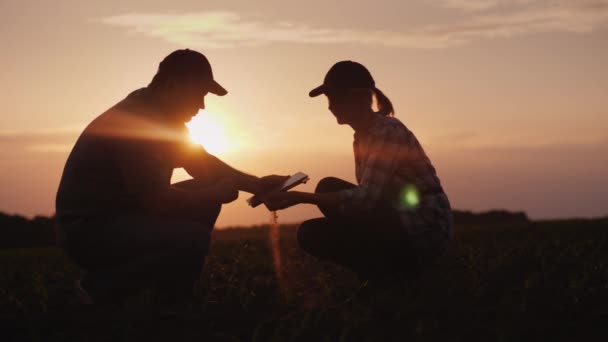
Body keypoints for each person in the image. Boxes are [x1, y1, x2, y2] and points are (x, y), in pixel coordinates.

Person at [55, 49, 286, 305]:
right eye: (198, 94)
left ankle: (175, 297)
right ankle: (100, 287)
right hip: (90, 232)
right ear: (173, 85)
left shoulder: (164, 118)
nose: (202, 105)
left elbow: (204, 165)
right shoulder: (136, 122)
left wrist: (258, 185)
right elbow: (157, 202)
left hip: (123, 217)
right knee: (192, 237)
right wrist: (216, 193)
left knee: (202, 200)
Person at [263, 61, 452, 282]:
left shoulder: (386, 131)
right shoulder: (363, 137)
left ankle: (392, 276)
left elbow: (366, 199)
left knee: (312, 230)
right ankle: (382, 274)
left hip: (423, 228)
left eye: (334, 98)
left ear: (356, 98)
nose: (330, 107)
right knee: (328, 188)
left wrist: (300, 197)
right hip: (399, 217)